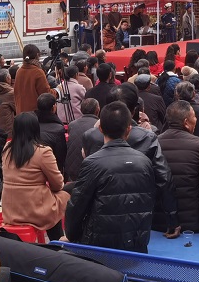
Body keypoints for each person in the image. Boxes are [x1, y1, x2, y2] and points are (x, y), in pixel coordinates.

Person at [66, 102, 168, 251]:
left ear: (100, 129)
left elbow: (76, 206)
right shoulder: (145, 162)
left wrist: (72, 235)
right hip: (136, 243)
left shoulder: (92, 163)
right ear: (129, 129)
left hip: (99, 247)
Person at [1, 112, 69, 242]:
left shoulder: (7, 149)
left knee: (52, 204)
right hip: (35, 211)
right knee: (65, 195)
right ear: (36, 129)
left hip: (10, 210)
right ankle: (58, 242)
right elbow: (57, 184)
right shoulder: (42, 152)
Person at [156, 101, 199, 233]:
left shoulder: (154, 142)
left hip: (160, 221)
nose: (196, 119)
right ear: (186, 122)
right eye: (194, 116)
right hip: (192, 221)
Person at [65, 99, 100, 181]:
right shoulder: (100, 125)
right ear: (98, 110)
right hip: (92, 172)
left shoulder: (72, 125)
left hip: (72, 170)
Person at [13, 44, 51, 116]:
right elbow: (46, 94)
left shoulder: (19, 71)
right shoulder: (38, 72)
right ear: (37, 55)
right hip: (34, 114)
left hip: (21, 113)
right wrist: (57, 91)